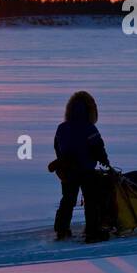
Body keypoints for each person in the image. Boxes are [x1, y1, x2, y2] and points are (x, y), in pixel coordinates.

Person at [50, 91, 111, 242]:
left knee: (68, 199)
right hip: (86, 170)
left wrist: (62, 162)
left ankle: (61, 229)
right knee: (91, 200)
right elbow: (97, 147)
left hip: (68, 170)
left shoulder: (61, 128)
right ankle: (92, 230)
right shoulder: (89, 128)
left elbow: (57, 147)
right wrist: (105, 161)